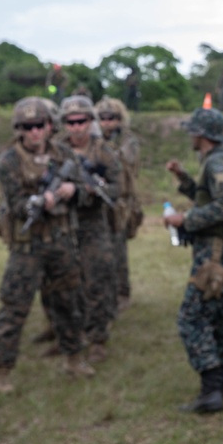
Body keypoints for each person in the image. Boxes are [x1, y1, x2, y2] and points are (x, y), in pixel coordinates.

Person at [0, 97, 93, 394]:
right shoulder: (9, 160)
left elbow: (88, 191)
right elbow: (15, 203)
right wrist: (38, 202)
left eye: (39, 126)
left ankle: (73, 358)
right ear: (19, 130)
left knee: (69, 303)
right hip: (27, 245)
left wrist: (73, 191)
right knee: (14, 307)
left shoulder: (63, 155)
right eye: (27, 127)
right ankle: (0, 371)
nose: (34, 133)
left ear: (50, 126)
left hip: (60, 240)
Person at [163, 108, 223, 414]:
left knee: (192, 317)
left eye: (192, 130)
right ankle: (220, 384)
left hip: (215, 252)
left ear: (203, 134)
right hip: (216, 248)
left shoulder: (220, 161)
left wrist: (184, 218)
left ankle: (211, 389)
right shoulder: (214, 160)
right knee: (214, 315)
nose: (189, 135)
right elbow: (208, 195)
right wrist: (183, 178)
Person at [60, 95, 121, 364]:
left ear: (90, 122)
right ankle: (70, 337)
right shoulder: (55, 152)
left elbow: (117, 188)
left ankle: (97, 338)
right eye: (71, 122)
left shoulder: (104, 152)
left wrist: (87, 190)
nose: (76, 127)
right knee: (64, 284)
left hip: (93, 223)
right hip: (60, 224)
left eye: (82, 121)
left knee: (98, 279)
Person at [96, 96, 142, 313]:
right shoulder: (92, 139)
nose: (107, 122)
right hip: (97, 201)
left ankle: (122, 293)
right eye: (102, 118)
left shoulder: (127, 140)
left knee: (118, 250)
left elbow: (125, 162)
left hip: (119, 201)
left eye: (111, 118)